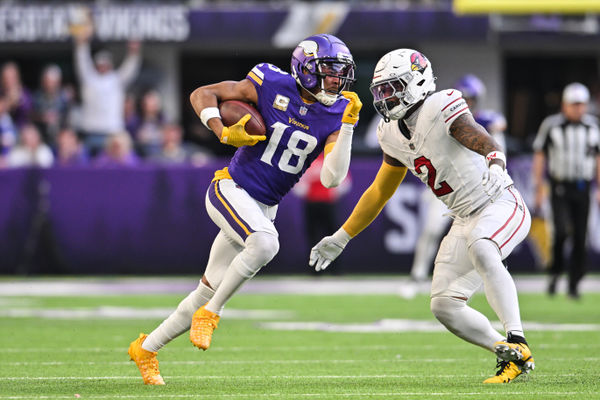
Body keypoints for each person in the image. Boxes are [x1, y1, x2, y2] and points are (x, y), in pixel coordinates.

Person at [128, 34, 361, 385]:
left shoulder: (336, 111)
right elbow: (202, 94)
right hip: (230, 189)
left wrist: (347, 128)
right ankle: (212, 314)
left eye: (340, 73)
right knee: (266, 245)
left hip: (264, 207)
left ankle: (146, 348)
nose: (335, 80)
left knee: (207, 287)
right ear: (306, 69)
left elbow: (332, 179)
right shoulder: (269, 82)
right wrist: (221, 131)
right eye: (328, 71)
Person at [310, 48, 534, 384]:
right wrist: (342, 237)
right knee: (444, 305)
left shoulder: (440, 104)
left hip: (498, 201)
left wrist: (496, 160)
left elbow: (477, 134)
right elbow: (379, 192)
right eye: (381, 90)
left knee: (483, 247)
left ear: (416, 82)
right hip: (462, 218)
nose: (385, 97)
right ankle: (510, 354)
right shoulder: (389, 133)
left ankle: (518, 337)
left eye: (392, 87)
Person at [405, 75, 507, 298]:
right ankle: (417, 274)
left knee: (482, 236)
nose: (468, 103)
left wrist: (497, 170)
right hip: (447, 185)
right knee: (431, 230)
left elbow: (498, 137)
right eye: (465, 98)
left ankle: (486, 278)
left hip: (477, 185)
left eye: (471, 99)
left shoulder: (487, 121)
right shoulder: (443, 117)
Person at [532, 82, 600, 299]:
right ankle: (555, 272)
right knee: (560, 232)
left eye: (581, 104)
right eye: (574, 104)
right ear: (564, 105)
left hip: (583, 187)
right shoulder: (551, 125)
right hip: (560, 186)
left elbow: (598, 158)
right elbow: (540, 155)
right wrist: (539, 187)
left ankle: (574, 283)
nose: (578, 109)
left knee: (581, 236)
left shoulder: (593, 127)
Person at [73, 26, 141, 157]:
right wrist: (82, 44)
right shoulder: (89, 78)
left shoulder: (116, 80)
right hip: (90, 133)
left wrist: (134, 53)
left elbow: (130, 70)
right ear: (96, 65)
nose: (103, 67)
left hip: (112, 134)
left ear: (110, 65)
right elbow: (82, 61)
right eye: (100, 64)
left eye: (105, 64)